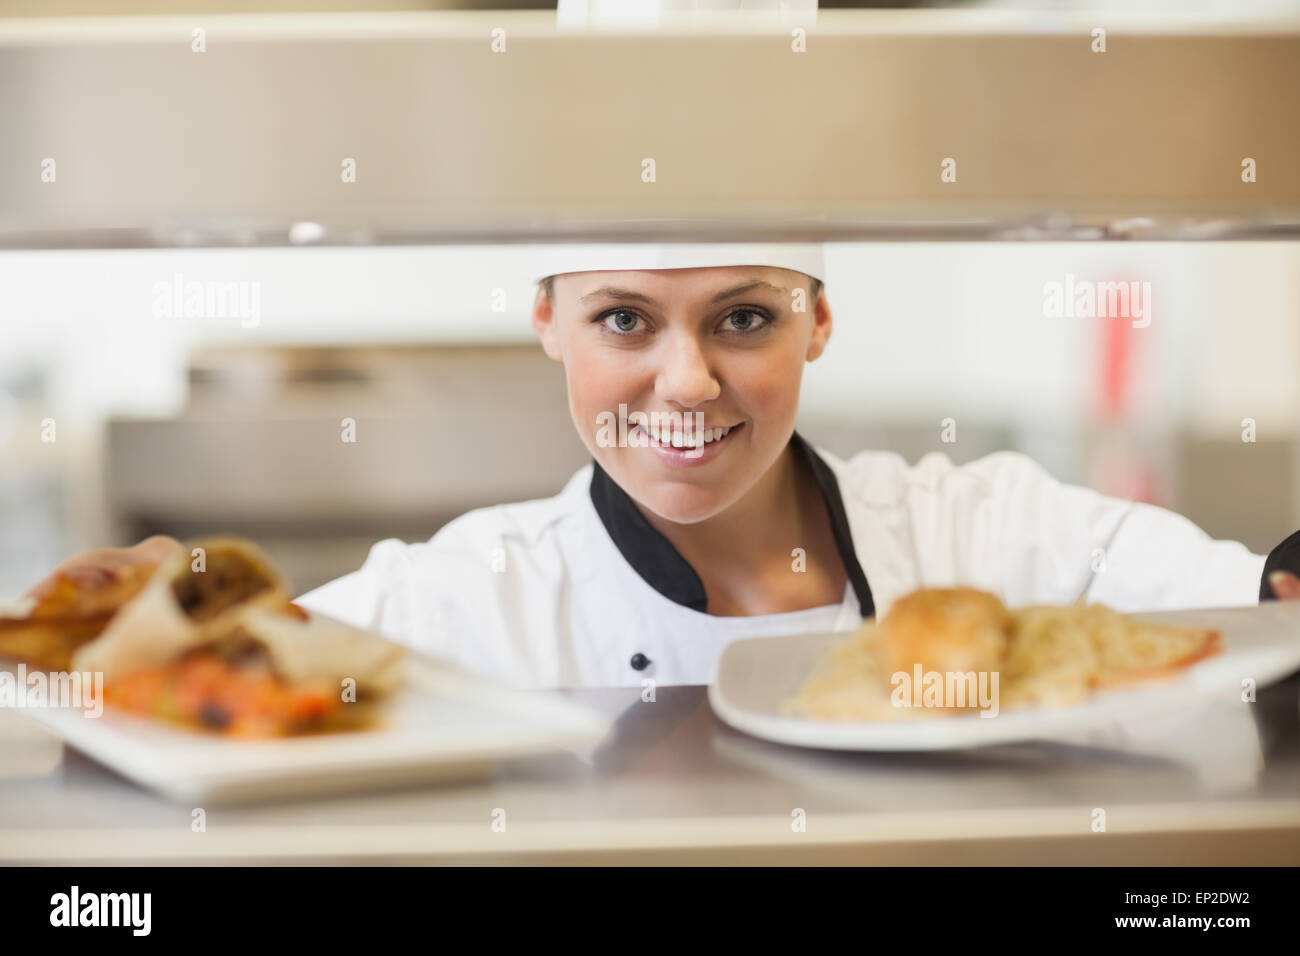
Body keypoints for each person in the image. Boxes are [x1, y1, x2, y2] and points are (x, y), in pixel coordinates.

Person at [24, 243, 1300, 689]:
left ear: (820, 320)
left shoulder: (986, 535)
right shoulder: (460, 599)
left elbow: (1256, 606)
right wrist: (158, 609)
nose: (685, 382)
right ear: (546, 322)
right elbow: (259, 668)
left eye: (743, 318)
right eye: (624, 319)